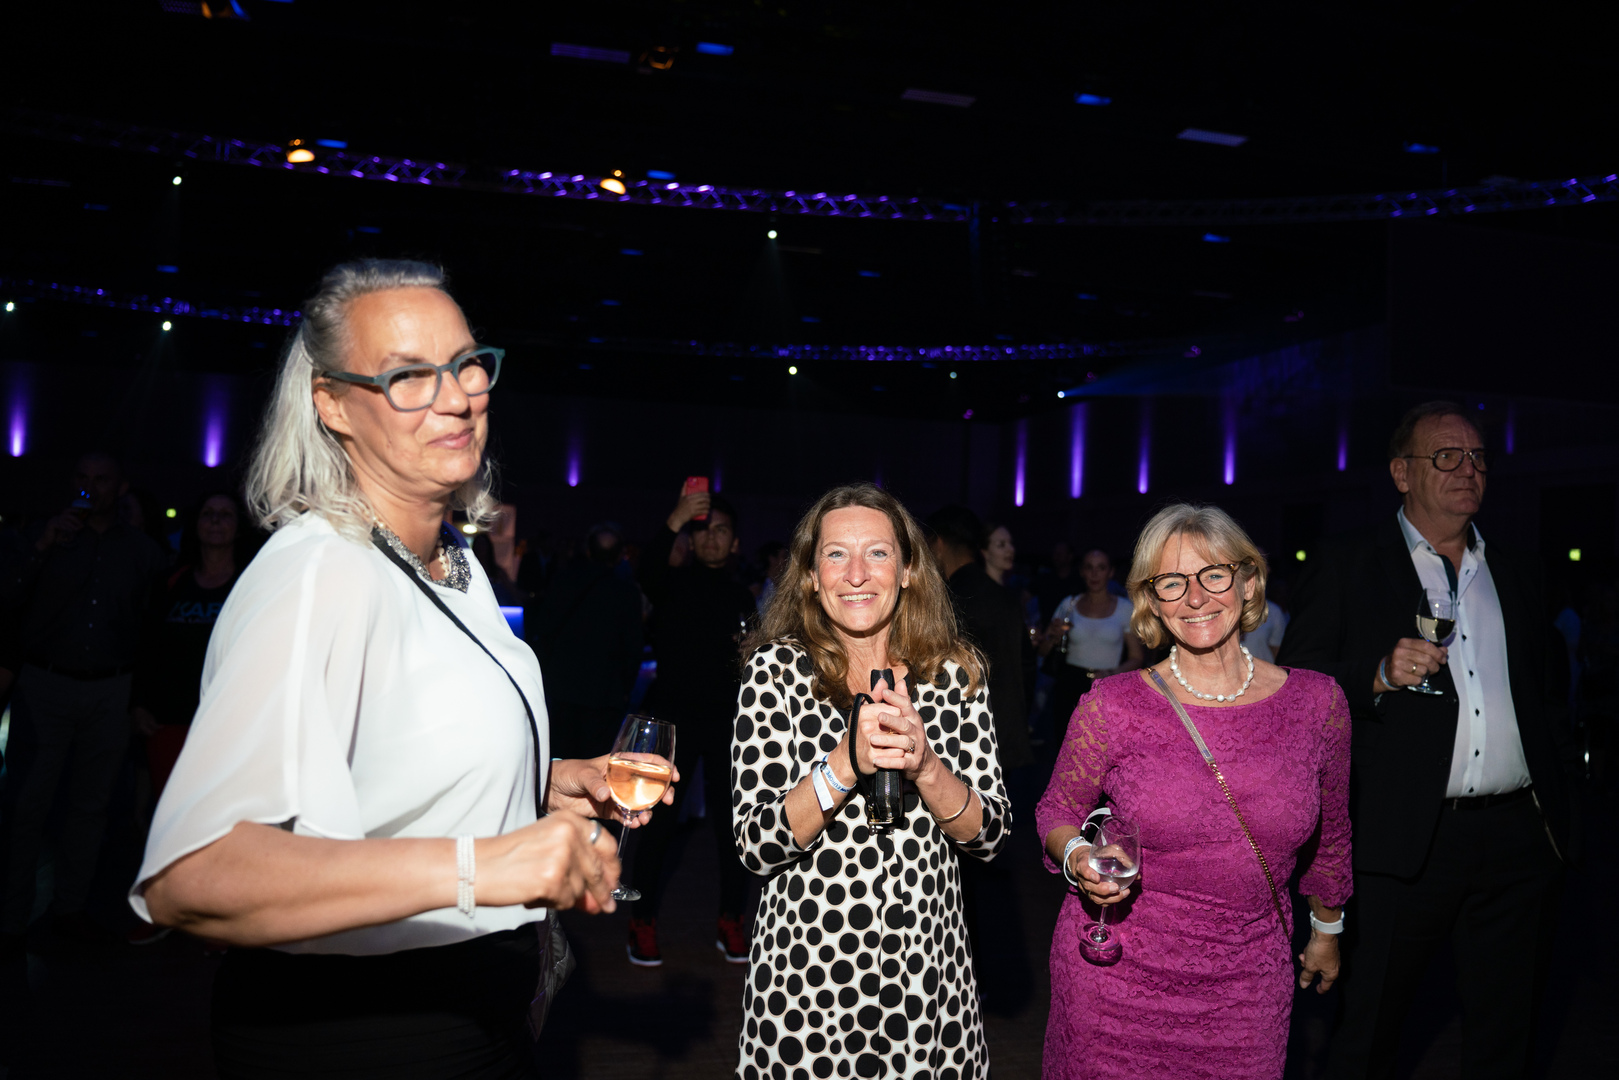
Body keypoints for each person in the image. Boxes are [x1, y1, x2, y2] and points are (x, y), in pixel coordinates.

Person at [127, 260, 666, 1078]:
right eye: (408, 376)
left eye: (466, 365)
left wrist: (541, 782)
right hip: (362, 1032)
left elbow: (393, 756)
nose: (456, 398)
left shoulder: (451, 560)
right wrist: (482, 866)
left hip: (477, 1009)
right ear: (333, 404)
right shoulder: (321, 571)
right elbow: (191, 876)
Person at [1276, 401, 1573, 1080]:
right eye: (1446, 456)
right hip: (1402, 836)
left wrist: (1560, 820)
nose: (1467, 469)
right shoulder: (1348, 562)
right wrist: (1377, 674)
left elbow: (1547, 696)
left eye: (1477, 457)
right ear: (1401, 473)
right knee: (1369, 1033)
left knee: (1508, 1035)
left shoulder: (1517, 570)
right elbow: (1298, 685)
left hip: (1517, 839)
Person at [1037, 503, 1351, 1080]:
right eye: (1172, 582)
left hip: (1248, 986)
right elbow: (1057, 809)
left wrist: (1327, 930)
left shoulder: (1318, 703)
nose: (1195, 597)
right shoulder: (1113, 706)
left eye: (1213, 574)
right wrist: (1079, 855)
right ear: (1152, 601)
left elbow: (1331, 837)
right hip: (1115, 981)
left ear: (1248, 581)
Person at [732, 482, 1010, 1078]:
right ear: (811, 576)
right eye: (836, 554)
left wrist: (927, 766)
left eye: (877, 553)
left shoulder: (954, 673)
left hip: (929, 981)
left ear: (908, 570)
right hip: (810, 985)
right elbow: (756, 845)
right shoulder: (775, 674)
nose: (856, 574)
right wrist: (844, 763)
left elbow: (990, 836)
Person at [0, 452, 168, 955]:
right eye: (83, 478)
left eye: (102, 479)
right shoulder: (45, 537)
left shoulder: (141, 551)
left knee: (91, 807)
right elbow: (8, 600)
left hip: (110, 688)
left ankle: (70, 909)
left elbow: (152, 629)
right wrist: (44, 545)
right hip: (45, 684)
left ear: (121, 487)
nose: (91, 487)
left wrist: (140, 698)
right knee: (26, 804)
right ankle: (10, 920)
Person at [628, 484, 758, 965]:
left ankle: (731, 919)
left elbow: (750, 664)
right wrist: (677, 517)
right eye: (703, 531)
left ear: (735, 542)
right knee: (658, 826)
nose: (711, 538)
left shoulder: (742, 597)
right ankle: (641, 921)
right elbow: (646, 571)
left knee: (733, 829)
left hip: (727, 723)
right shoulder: (672, 582)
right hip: (674, 721)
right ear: (690, 538)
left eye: (721, 531)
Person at [925, 507, 1035, 775]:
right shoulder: (1005, 596)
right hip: (1010, 734)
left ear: (937, 543)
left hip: (970, 737)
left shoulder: (950, 598)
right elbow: (1028, 666)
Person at [528, 522, 644, 761]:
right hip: (605, 694)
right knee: (595, 763)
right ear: (619, 556)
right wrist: (625, 690)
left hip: (563, 688)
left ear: (589, 551)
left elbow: (544, 626)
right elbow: (633, 647)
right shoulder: (626, 592)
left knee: (560, 760)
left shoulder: (564, 581)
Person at [1037, 548, 1145, 743]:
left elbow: (1137, 657)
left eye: (1101, 568)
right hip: (1069, 683)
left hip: (1107, 685)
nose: (1095, 574)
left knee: (1103, 746)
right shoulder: (1069, 604)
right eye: (1089, 567)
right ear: (1082, 572)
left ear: (1110, 572)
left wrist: (1112, 673)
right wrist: (1052, 637)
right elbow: (1042, 651)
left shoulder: (1124, 608)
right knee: (1066, 745)